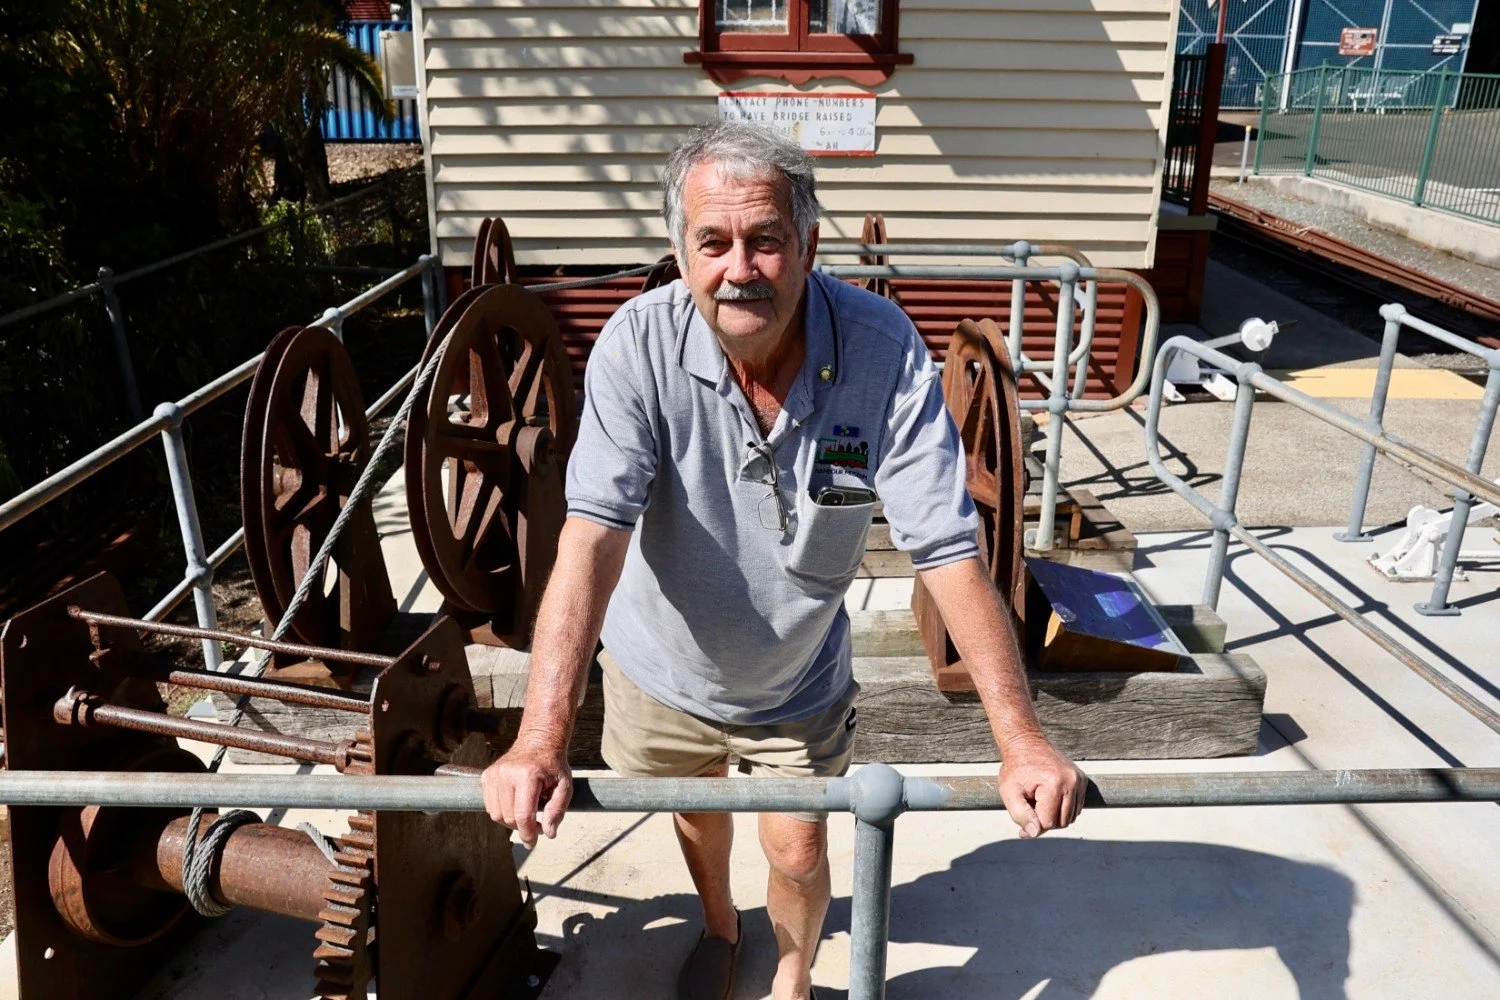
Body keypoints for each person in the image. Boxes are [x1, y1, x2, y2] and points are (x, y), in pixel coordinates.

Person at [481, 121, 1085, 1000]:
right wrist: (539, 738)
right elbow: (591, 537)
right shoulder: (636, 346)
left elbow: (948, 548)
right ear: (681, 252)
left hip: (797, 678)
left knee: (798, 846)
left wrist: (1020, 741)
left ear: (808, 242)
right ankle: (720, 926)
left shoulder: (881, 350)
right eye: (713, 243)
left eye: (765, 240)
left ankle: (792, 978)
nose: (741, 268)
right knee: (696, 813)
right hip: (662, 669)